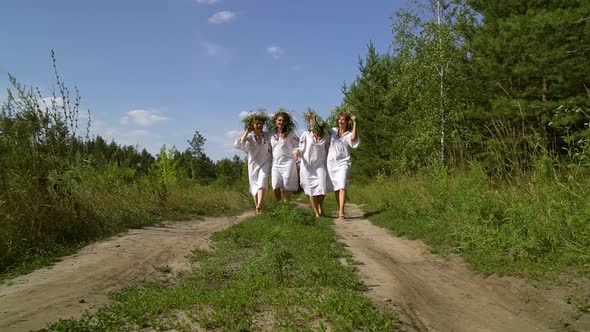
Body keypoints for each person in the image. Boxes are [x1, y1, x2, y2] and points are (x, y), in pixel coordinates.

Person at [294, 109, 330, 217]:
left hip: (320, 165)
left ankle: (320, 205)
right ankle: (316, 212)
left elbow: (328, 149)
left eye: (313, 124)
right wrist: (297, 152)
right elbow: (300, 148)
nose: (312, 126)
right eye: (311, 124)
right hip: (307, 167)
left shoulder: (326, 136)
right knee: (311, 190)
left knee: (322, 188)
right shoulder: (305, 135)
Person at [234, 111, 271, 214]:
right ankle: (257, 208)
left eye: (261, 123)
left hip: (265, 161)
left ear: (263, 124)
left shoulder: (267, 135)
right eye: (256, 123)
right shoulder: (250, 136)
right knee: (254, 185)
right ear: (253, 125)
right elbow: (240, 143)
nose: (259, 125)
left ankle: (259, 204)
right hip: (253, 163)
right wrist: (247, 130)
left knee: (263, 180)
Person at [327, 108, 359, 220]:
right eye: (339, 119)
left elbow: (354, 139)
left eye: (343, 120)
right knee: (337, 187)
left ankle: (341, 210)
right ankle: (339, 207)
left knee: (342, 185)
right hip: (331, 163)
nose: (341, 121)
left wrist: (355, 123)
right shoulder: (332, 131)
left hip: (344, 162)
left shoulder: (349, 134)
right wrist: (313, 120)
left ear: (347, 122)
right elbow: (320, 128)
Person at [269, 109, 299, 202]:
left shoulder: (290, 133)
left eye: (283, 121)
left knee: (286, 186)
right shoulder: (271, 134)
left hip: (288, 162)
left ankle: (286, 207)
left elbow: (297, 145)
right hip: (276, 163)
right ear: (275, 121)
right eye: (279, 120)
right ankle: (279, 204)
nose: (281, 122)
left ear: (286, 122)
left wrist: (296, 152)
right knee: (275, 185)